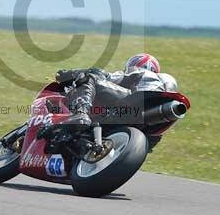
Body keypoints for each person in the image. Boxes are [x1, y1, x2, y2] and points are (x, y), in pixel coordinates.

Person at [45, 54, 178, 149]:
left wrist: (70, 74)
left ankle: (81, 112)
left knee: (89, 77)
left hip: (135, 100)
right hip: (152, 119)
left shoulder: (137, 73)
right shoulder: (164, 82)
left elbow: (101, 75)